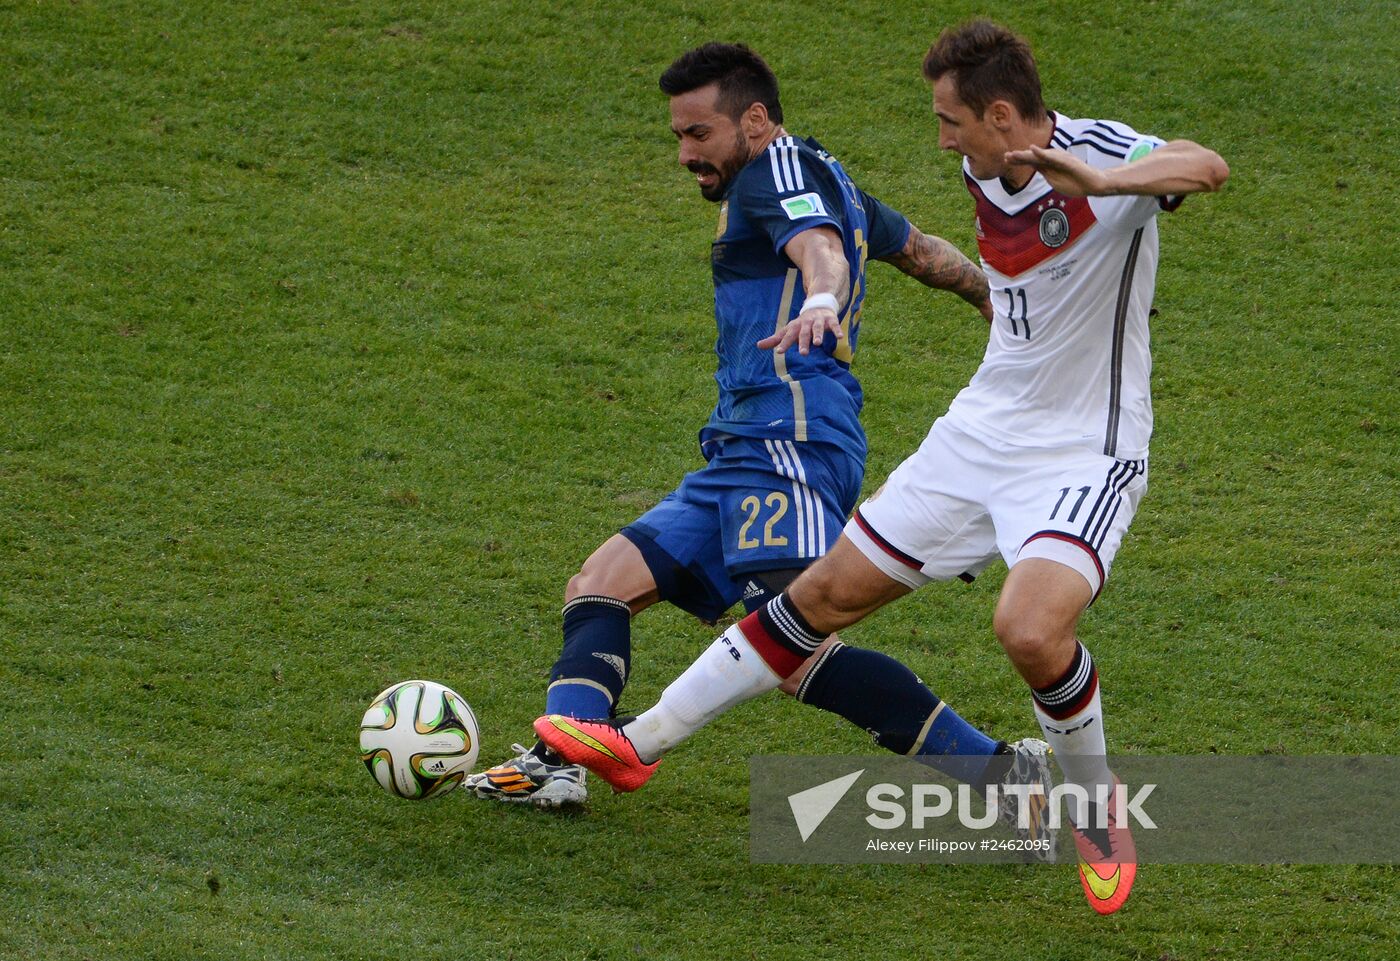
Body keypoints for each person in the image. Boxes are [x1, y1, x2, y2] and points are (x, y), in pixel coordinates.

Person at [535, 21, 1229, 916]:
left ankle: (1095, 809)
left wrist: (1104, 180)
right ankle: (637, 742)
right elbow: (903, 243)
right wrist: (977, 293)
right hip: (980, 430)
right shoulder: (986, 164)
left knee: (1027, 630)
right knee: (815, 599)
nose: (941, 139)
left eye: (951, 120)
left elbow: (1204, 165)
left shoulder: (1098, 150)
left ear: (1004, 115)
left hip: (1084, 446)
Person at [470, 41, 1054, 848]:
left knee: (791, 643)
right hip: (745, 442)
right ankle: (558, 758)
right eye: (678, 135)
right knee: (599, 584)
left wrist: (820, 294)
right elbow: (920, 251)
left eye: (699, 134)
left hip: (791, 434)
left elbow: (816, 244)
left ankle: (1000, 775)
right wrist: (999, 297)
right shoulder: (824, 171)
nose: (684, 154)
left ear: (753, 120)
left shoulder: (776, 172)